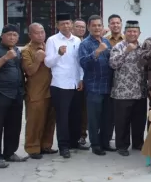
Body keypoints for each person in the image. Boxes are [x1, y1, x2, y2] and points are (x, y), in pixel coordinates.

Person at [0, 24, 26, 168]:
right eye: (9, 34)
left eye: (15, 35)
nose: (12, 37)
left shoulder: (16, 51)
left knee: (14, 125)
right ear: (2, 35)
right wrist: (5, 58)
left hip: (16, 93)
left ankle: (9, 152)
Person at [45, 13, 84, 158]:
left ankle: (74, 142)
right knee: (62, 117)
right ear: (57, 26)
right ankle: (63, 146)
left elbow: (79, 62)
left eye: (68, 23)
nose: (66, 26)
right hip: (60, 84)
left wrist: (81, 78)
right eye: (62, 24)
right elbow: (48, 63)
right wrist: (59, 54)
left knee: (76, 115)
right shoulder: (52, 40)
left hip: (75, 83)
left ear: (72, 24)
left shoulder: (77, 40)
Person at [109, 20, 147, 155]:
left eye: (135, 31)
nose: (132, 34)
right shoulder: (118, 46)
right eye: (129, 31)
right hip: (122, 92)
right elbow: (113, 64)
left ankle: (138, 143)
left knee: (139, 121)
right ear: (124, 33)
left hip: (139, 91)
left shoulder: (143, 47)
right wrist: (126, 51)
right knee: (122, 121)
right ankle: (122, 146)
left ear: (139, 33)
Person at [78, 15, 113, 155]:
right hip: (94, 87)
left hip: (108, 86)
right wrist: (97, 52)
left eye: (99, 25)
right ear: (89, 27)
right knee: (94, 119)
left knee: (107, 118)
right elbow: (83, 63)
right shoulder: (85, 44)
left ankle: (105, 142)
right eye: (94, 25)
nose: (97, 28)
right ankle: (95, 144)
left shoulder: (106, 41)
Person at [22, 23, 57, 160]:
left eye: (42, 32)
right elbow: (29, 71)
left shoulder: (49, 46)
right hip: (35, 91)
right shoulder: (26, 50)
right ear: (30, 35)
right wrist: (37, 60)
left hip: (51, 88)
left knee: (50, 119)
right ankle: (32, 148)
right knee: (35, 121)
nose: (41, 35)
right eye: (37, 33)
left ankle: (46, 146)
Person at [72, 18, 90, 149]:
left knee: (85, 111)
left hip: (88, 81)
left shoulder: (87, 42)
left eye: (83, 27)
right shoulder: (70, 42)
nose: (80, 29)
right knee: (75, 111)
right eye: (77, 27)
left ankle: (82, 136)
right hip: (74, 82)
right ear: (72, 28)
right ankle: (73, 137)